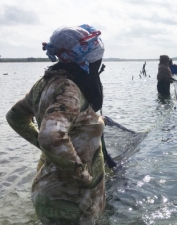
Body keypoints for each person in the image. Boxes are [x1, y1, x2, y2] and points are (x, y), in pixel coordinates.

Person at [6, 24, 106, 224]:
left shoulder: (46, 82)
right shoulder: (68, 89)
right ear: (84, 60)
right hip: (71, 198)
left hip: (51, 190)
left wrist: (42, 145)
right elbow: (51, 136)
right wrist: (82, 174)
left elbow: (15, 117)